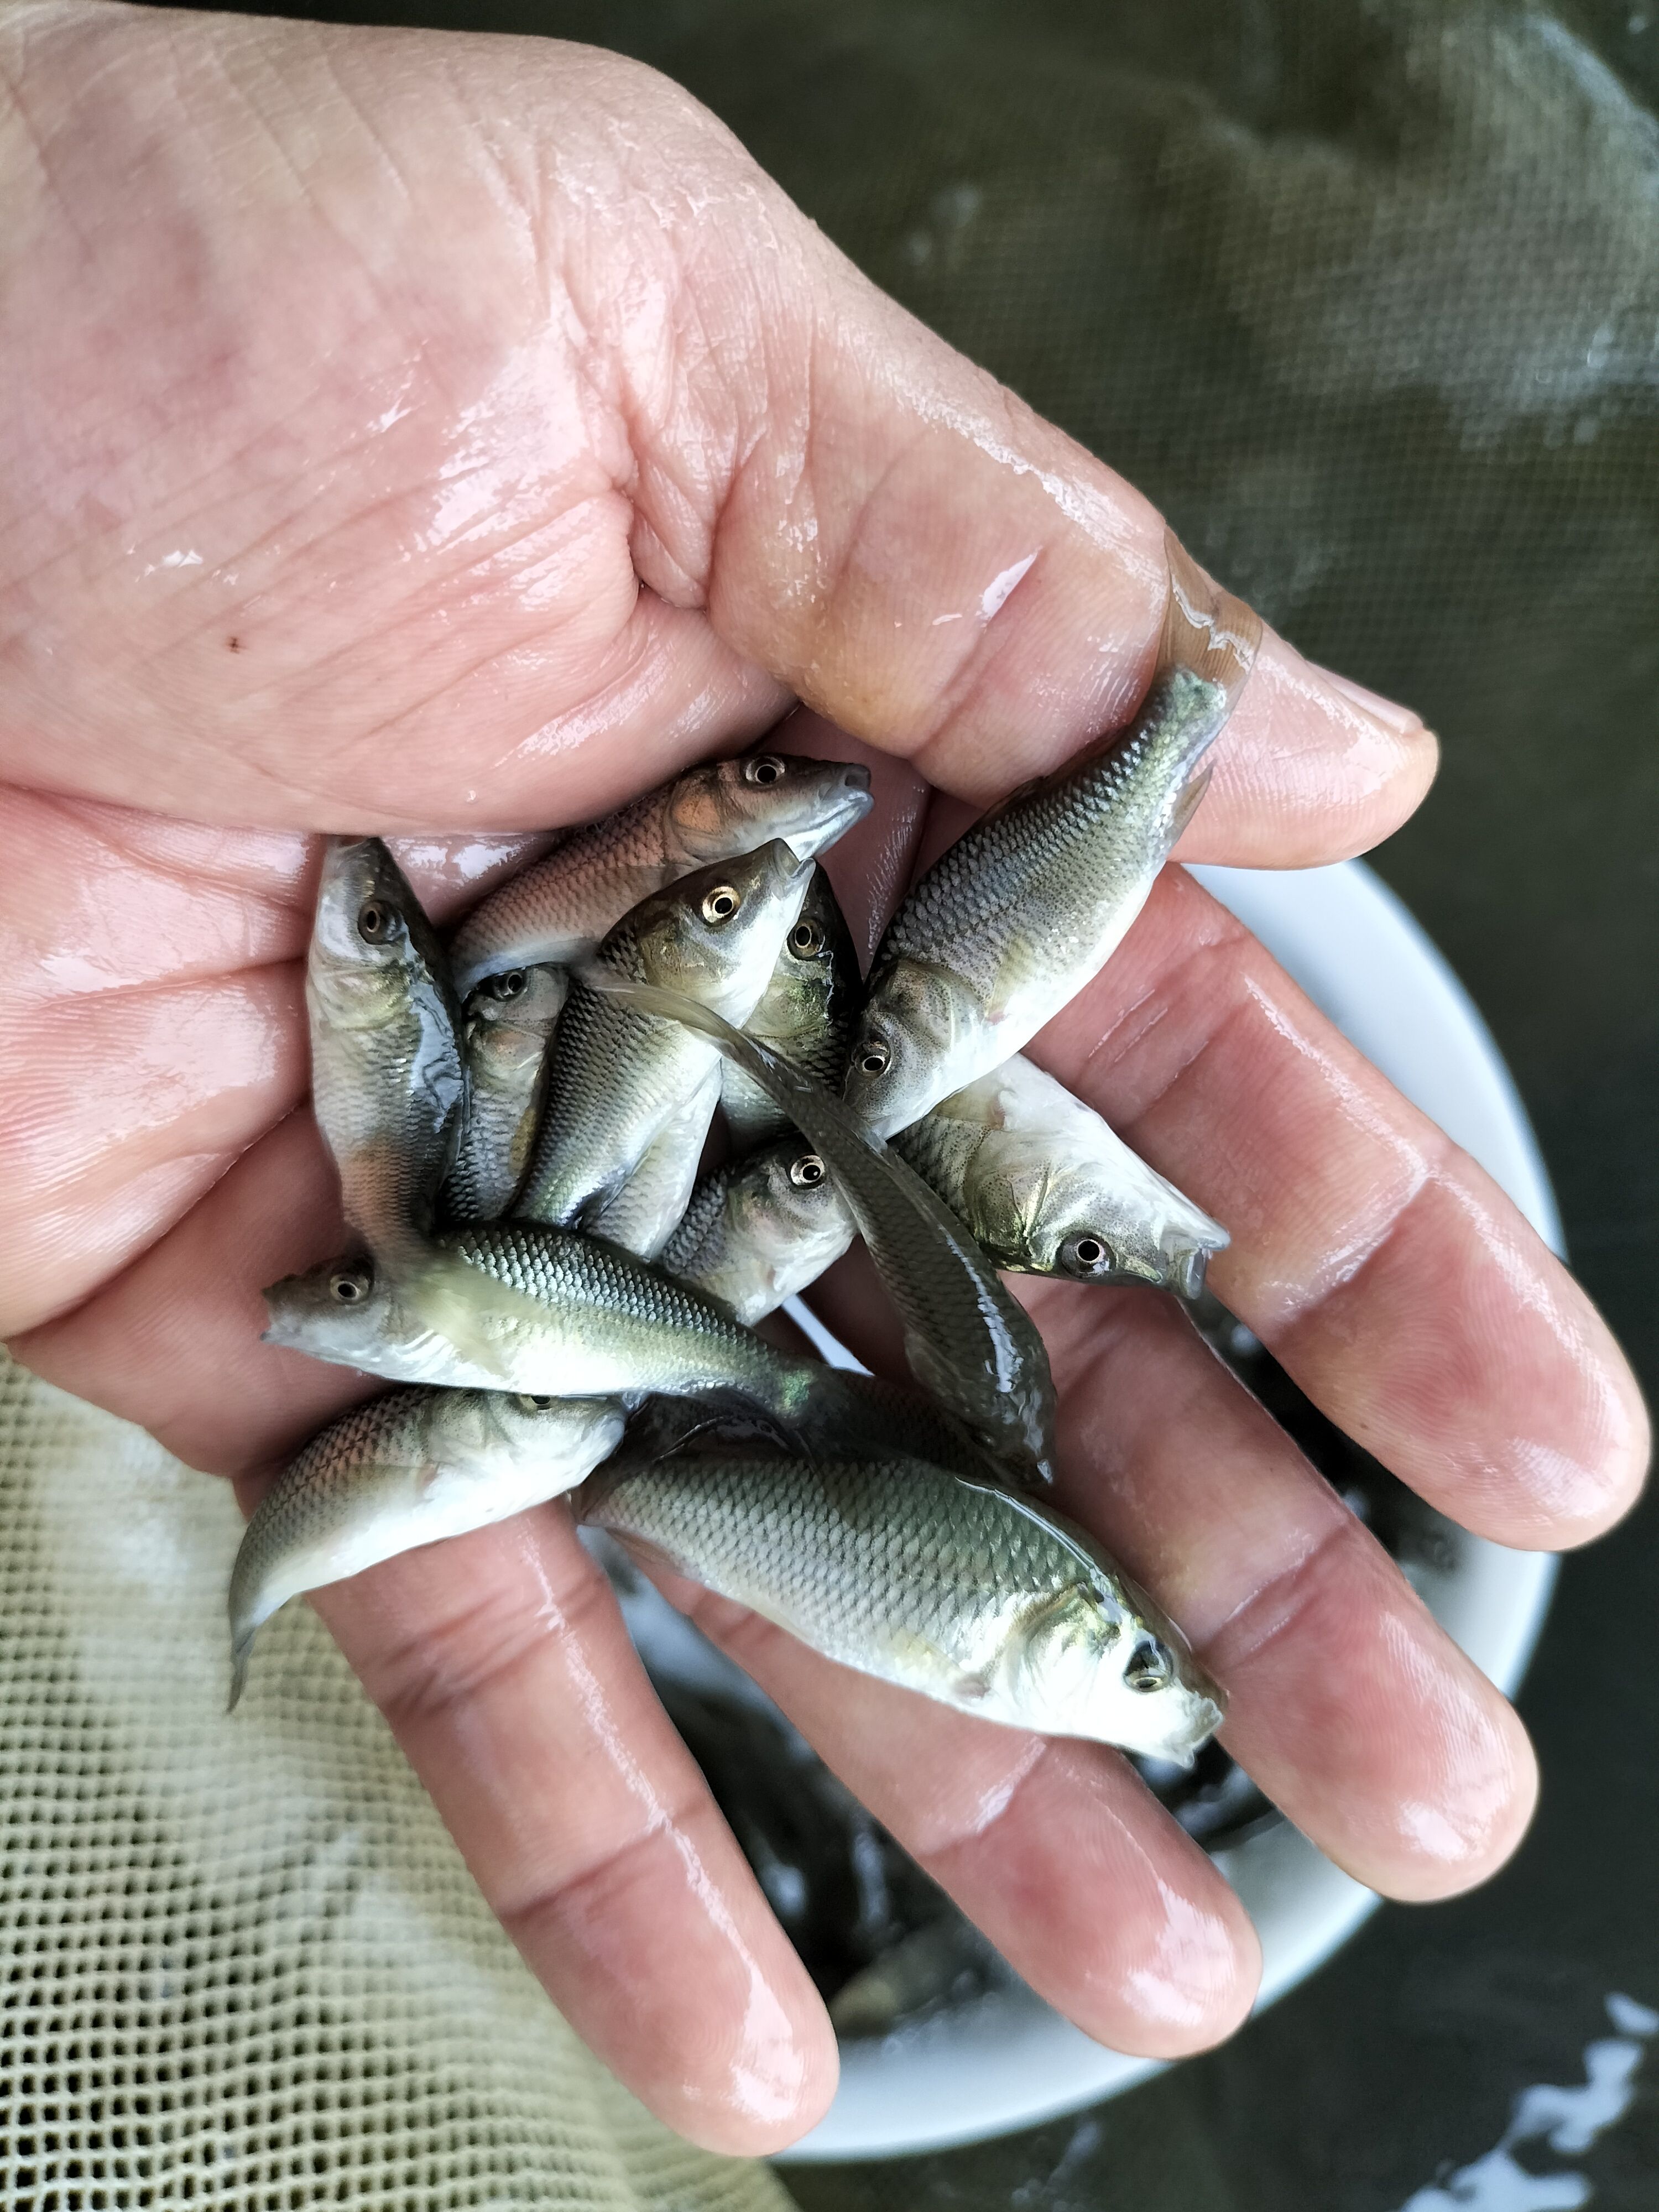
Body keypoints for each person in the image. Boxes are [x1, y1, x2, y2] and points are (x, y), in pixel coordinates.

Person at [0, 1, 1646, 2156]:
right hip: (594, 1282)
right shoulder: (670, 1118)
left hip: (612, 1310)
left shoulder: (737, 1235)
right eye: (1139, 1667)